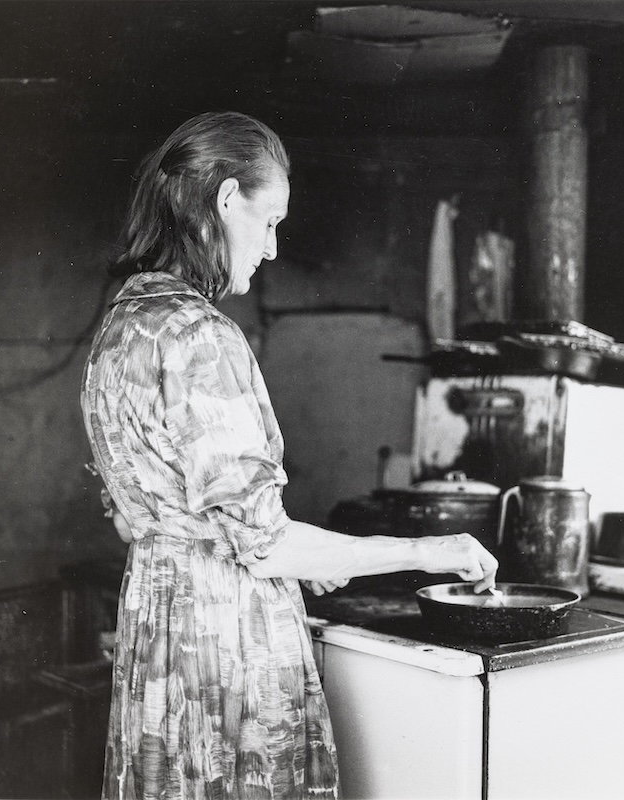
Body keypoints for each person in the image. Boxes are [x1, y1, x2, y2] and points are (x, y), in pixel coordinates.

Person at [81, 111, 498, 800]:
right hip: (223, 644)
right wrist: (432, 550)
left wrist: (317, 555)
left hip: (158, 636)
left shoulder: (121, 327)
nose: (272, 248)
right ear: (223, 200)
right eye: (268, 220)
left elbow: (141, 518)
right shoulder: (197, 336)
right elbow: (264, 547)